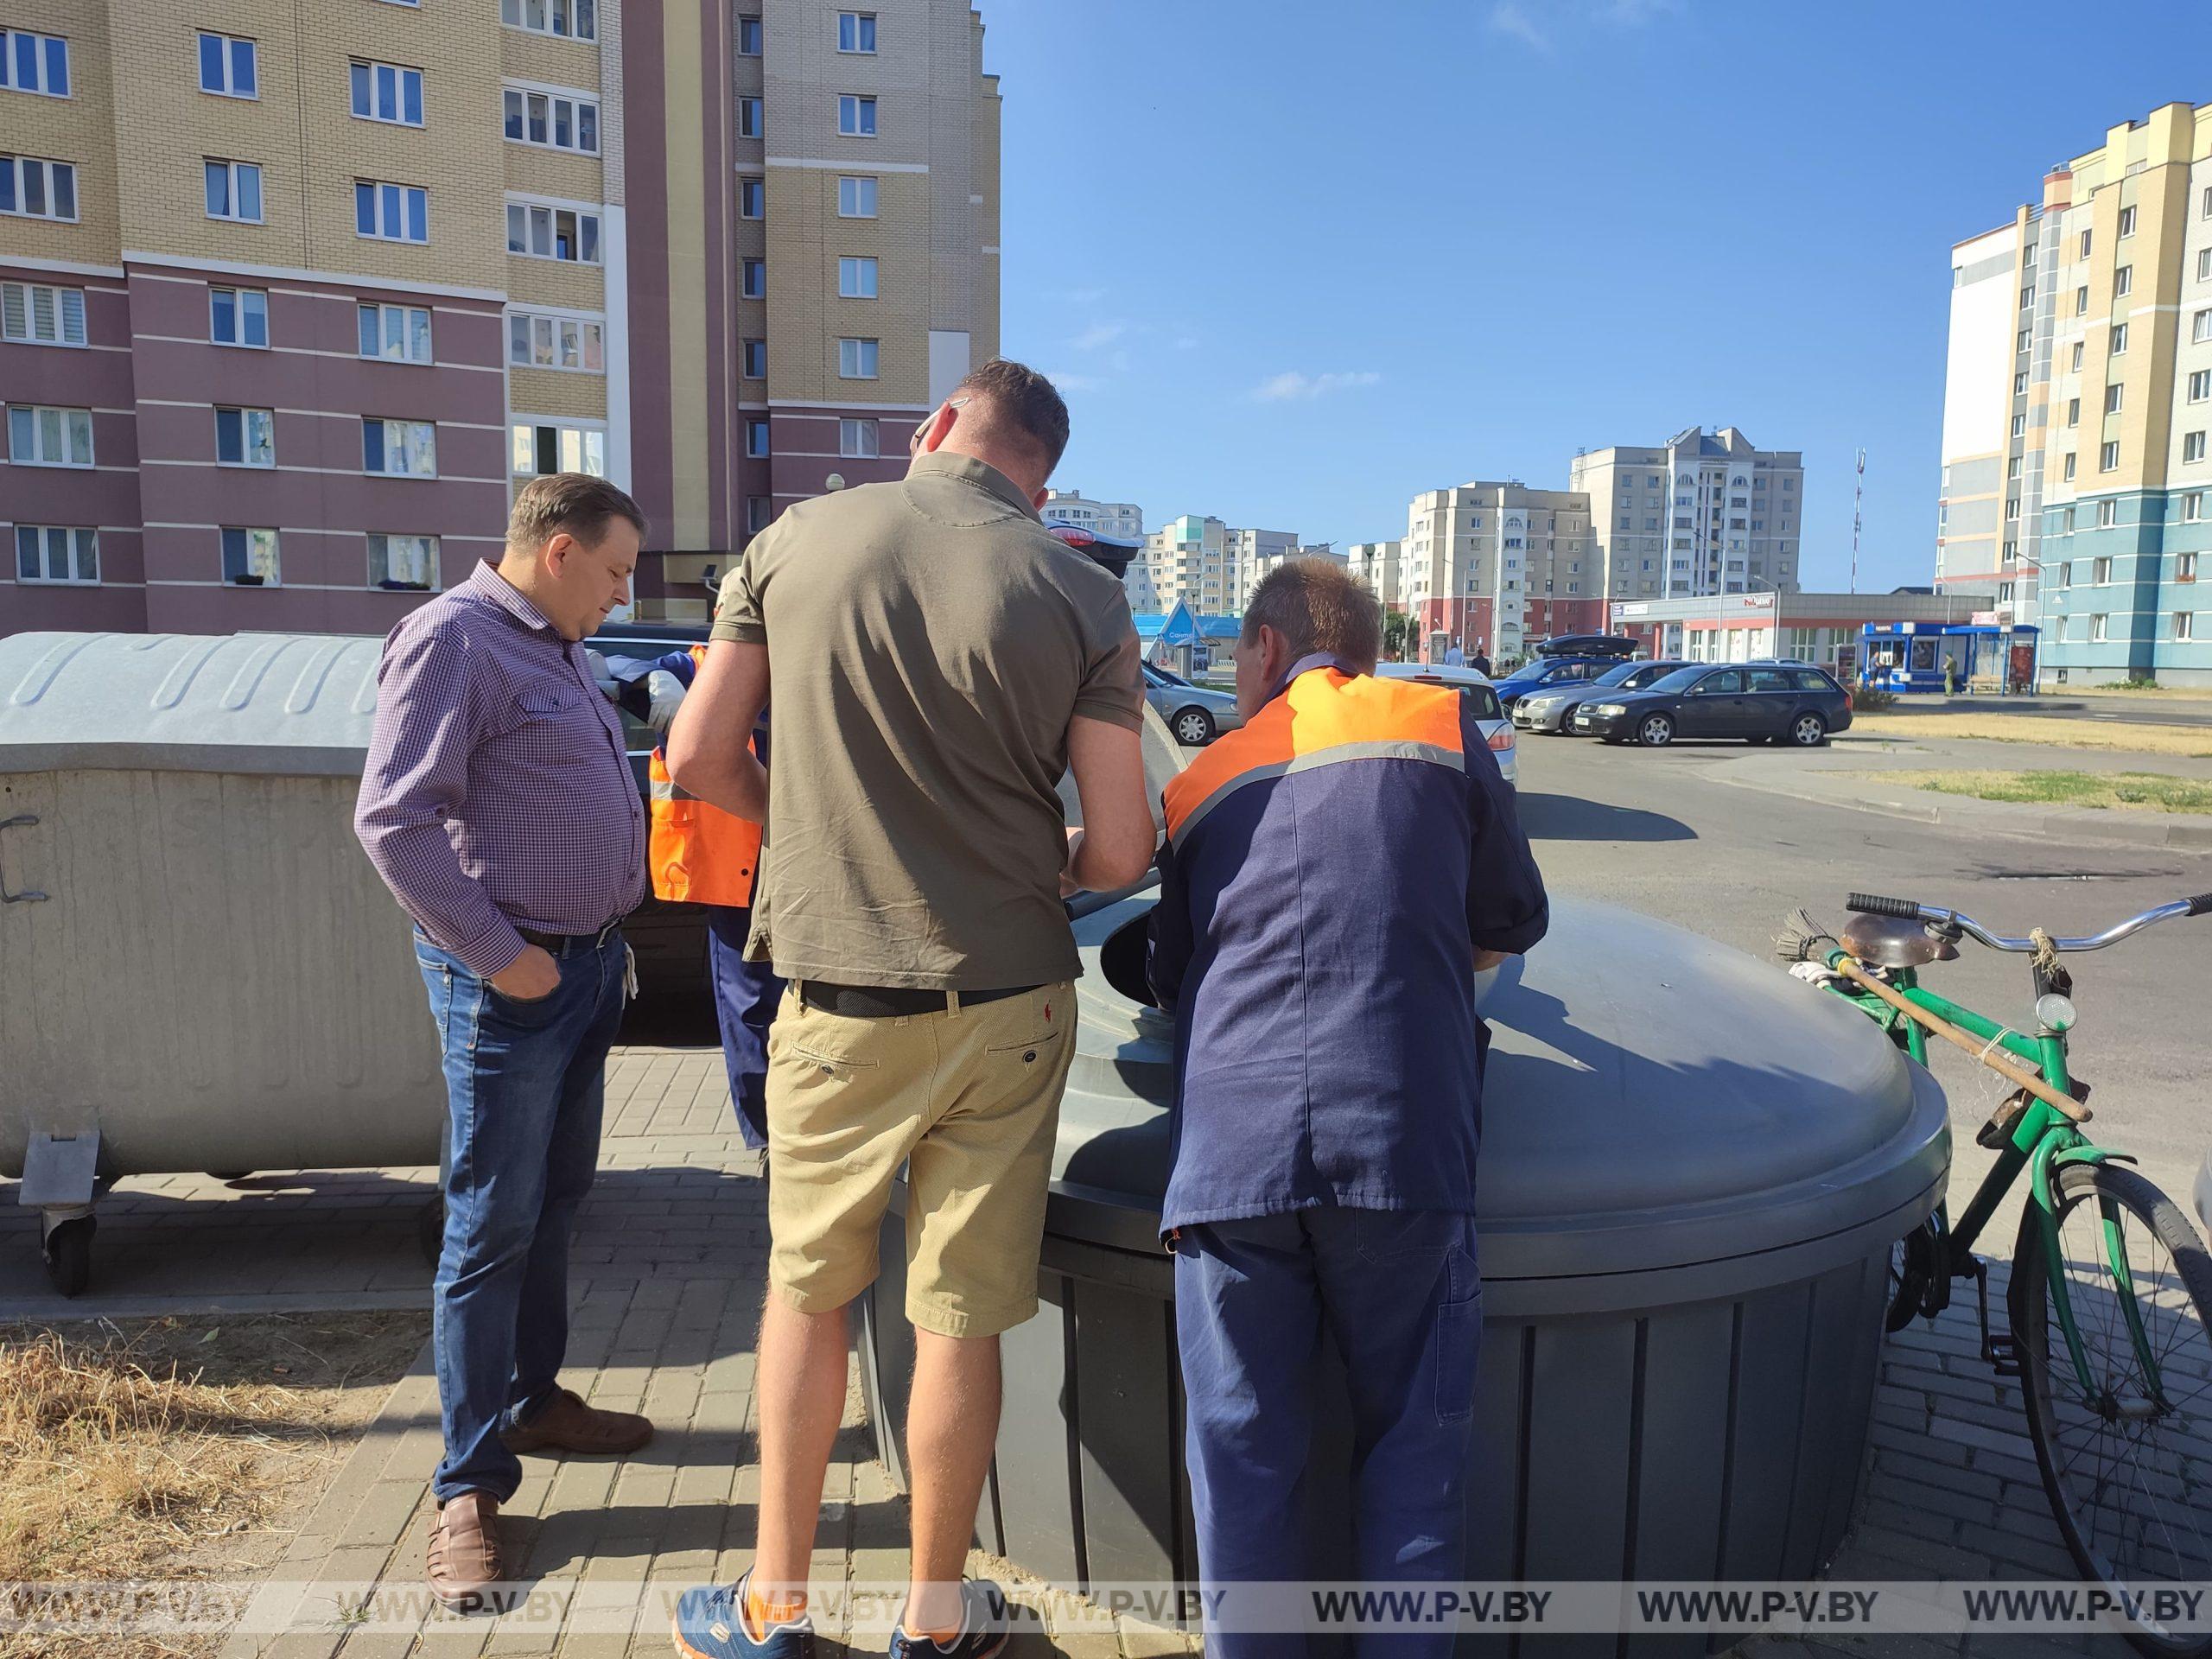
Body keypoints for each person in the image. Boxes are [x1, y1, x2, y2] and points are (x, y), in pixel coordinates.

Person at [663, 359, 1156, 1659]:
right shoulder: (1085, 591)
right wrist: (1028, 862)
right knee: (960, 1312)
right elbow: (1117, 852)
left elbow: (701, 758)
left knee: (810, 1295)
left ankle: (774, 1608)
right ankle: (936, 1623)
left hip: (839, 996)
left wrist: (813, 834)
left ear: (935, 426)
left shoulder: (792, 541)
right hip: (1011, 1002)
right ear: (1038, 477)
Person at [1147, 560, 1548, 1659]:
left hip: (1232, 1161)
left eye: (1234, 653)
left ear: (1268, 650)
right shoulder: (1436, 722)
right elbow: (1505, 922)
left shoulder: (1200, 783)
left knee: (1242, 1466)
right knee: (1415, 1462)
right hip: (1404, 1147)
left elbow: (1175, 981)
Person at [354, 474, 657, 1614]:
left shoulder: (561, 648)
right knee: (490, 1224)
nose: (624, 594)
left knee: (557, 1198)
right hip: (512, 981)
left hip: (584, 970)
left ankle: (534, 1399)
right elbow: (393, 820)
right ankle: (467, 1489)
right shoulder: (456, 640)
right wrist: (496, 951)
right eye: (620, 570)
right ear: (563, 549)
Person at [605, 646, 785, 1150]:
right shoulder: (697, 666)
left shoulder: (802, 656)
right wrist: (655, 679)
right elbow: (612, 662)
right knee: (751, 1009)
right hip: (735, 874)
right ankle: (768, 1141)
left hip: (801, 864)